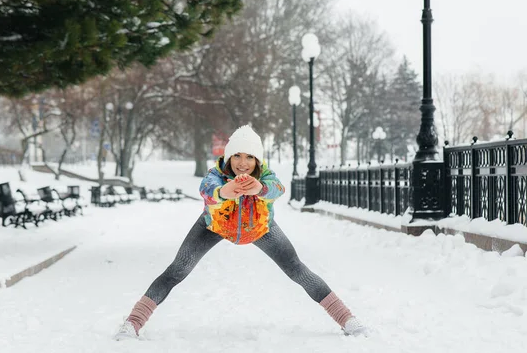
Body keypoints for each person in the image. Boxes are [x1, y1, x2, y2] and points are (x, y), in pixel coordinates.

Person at [114, 125, 366, 340]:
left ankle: (346, 319)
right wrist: (225, 191)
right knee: (177, 270)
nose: (242, 163)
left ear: (257, 160)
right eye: (236, 156)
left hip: (259, 228)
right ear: (228, 157)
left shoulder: (264, 175)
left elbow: (277, 188)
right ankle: (133, 322)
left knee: (296, 269)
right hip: (214, 226)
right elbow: (207, 188)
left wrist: (259, 188)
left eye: (249, 157)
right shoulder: (217, 174)